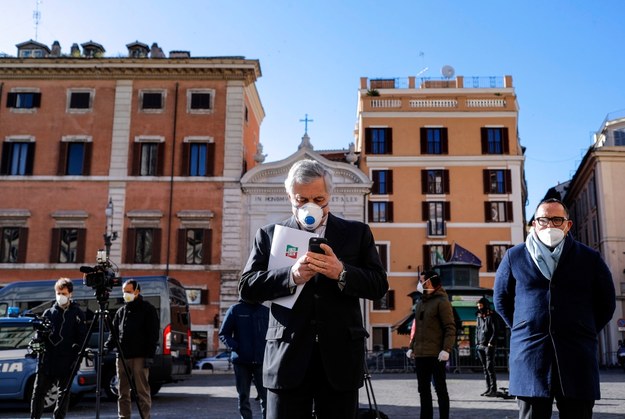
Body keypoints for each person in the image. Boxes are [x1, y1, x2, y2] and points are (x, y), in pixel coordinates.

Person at [239, 159, 388, 419]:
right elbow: (246, 288)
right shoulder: (269, 234)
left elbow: (379, 286)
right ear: (289, 196)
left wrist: (341, 272)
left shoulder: (357, 233)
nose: (311, 206)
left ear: (330, 195)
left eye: (319, 199)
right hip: (287, 356)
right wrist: (290, 276)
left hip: (340, 357)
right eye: (301, 199)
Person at [494, 198, 616, 419]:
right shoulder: (515, 256)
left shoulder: (590, 258)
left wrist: (584, 328)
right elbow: (501, 299)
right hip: (530, 356)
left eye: (557, 219)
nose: (550, 225)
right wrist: (524, 327)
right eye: (543, 220)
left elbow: (606, 303)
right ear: (534, 224)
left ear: (568, 225)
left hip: (577, 356)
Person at [31, 277, 86, 419]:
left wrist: (76, 360)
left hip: (67, 360)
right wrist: (37, 341)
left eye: (64, 293)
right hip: (47, 360)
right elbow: (39, 336)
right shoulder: (48, 313)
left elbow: (82, 338)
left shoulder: (77, 313)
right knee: (38, 392)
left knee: (64, 393)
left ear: (70, 294)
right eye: (58, 293)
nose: (60, 296)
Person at [105, 279, 160, 419]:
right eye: (124, 292)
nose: (126, 294)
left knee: (142, 392)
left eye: (128, 292)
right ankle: (123, 417)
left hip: (140, 357)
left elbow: (153, 334)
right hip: (122, 357)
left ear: (137, 291)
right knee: (122, 392)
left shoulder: (148, 309)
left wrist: (150, 356)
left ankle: (145, 417)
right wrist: (106, 347)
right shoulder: (121, 311)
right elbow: (114, 334)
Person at [407, 270, 456, 419]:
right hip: (421, 354)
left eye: (421, 280)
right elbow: (417, 327)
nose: (419, 283)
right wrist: (411, 347)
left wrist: (446, 349)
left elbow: (450, 327)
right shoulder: (421, 302)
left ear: (428, 282)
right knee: (423, 390)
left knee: (440, 389)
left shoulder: (442, 301)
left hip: (436, 354)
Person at [219, 299, 270, 419]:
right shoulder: (235, 310)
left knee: (266, 397)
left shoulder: (266, 311)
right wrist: (236, 347)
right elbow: (224, 334)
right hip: (241, 361)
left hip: (262, 361)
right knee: (243, 396)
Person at [475, 297, 498, 397]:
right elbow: (477, 330)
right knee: (485, 368)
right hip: (480, 345)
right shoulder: (479, 316)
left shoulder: (492, 315)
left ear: (485, 305)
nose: (479, 308)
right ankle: (488, 388)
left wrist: (491, 342)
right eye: (478, 306)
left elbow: (496, 330)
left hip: (489, 345)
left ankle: (493, 389)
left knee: (490, 367)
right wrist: (476, 342)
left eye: (481, 305)